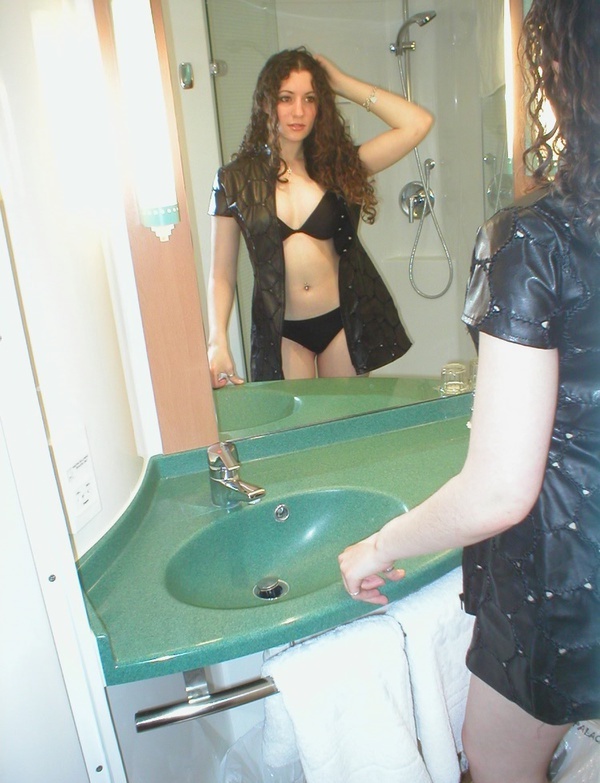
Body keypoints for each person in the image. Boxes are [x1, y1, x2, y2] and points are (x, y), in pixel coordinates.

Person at [338, 2, 600, 782]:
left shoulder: (537, 237)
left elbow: (498, 490)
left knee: (495, 760)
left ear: (561, 67)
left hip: (569, 583)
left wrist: (377, 545)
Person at [207, 47, 433, 388]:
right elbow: (221, 275)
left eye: (310, 99)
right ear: (266, 102)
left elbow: (417, 124)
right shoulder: (234, 179)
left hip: (342, 323)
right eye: (286, 98)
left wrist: (341, 83)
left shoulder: (339, 168)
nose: (299, 111)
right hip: (284, 330)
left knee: (349, 419)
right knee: (298, 420)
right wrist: (217, 342)